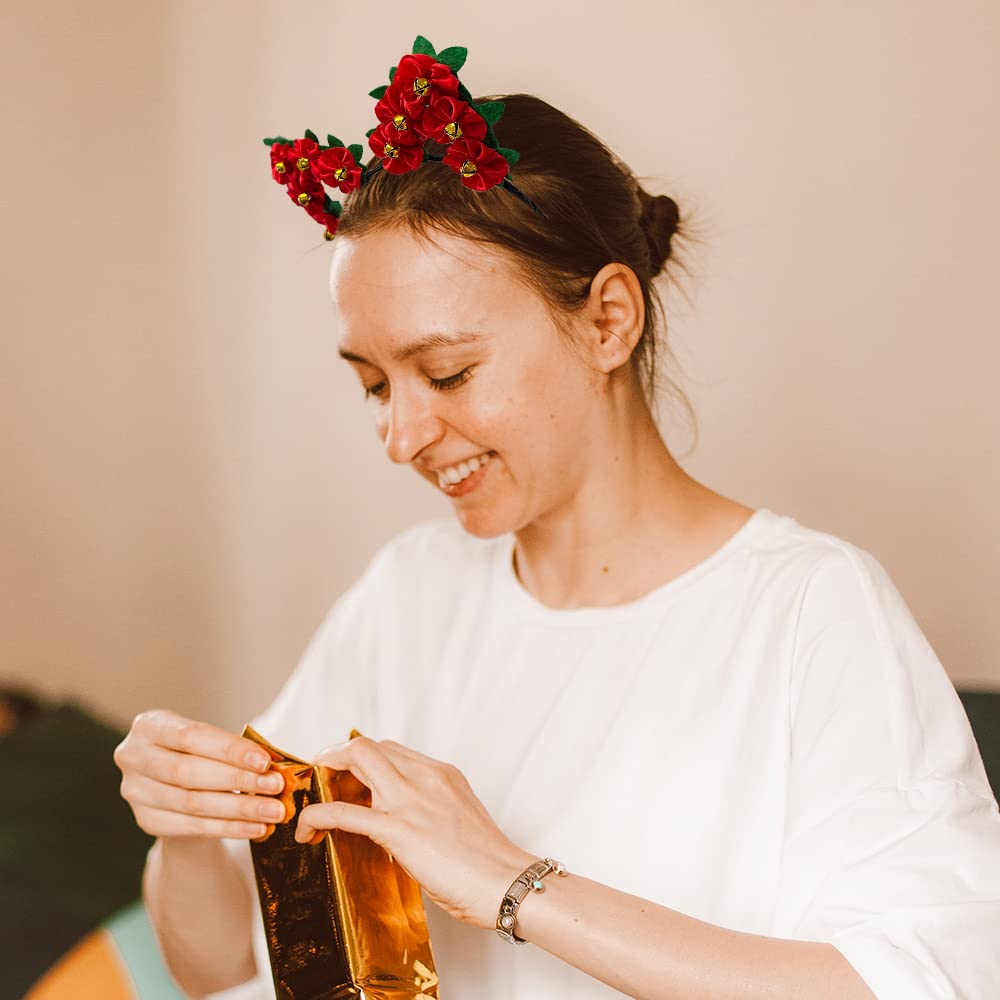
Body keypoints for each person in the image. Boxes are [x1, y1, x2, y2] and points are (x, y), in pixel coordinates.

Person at [114, 88, 1000, 999]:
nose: (402, 436)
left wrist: (510, 881)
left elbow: (928, 983)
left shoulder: (811, 608)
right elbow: (218, 970)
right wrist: (184, 831)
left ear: (609, 319)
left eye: (447, 372)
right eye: (377, 385)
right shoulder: (410, 594)